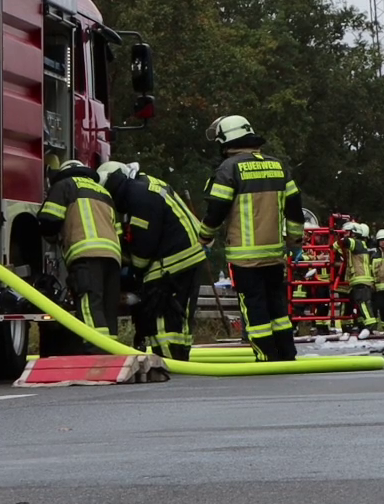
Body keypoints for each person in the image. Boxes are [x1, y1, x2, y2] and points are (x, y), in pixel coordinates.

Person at [202, 115, 302, 361]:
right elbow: (295, 209)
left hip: (244, 258)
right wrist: (295, 243)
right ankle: (286, 354)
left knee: (254, 307)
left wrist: (204, 238)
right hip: (275, 255)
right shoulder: (278, 166)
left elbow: (216, 210)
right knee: (277, 307)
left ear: (226, 141)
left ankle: (266, 357)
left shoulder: (229, 169)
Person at [104, 162, 207, 361]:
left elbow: (144, 246)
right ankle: (180, 361)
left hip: (170, 266)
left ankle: (168, 364)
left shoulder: (138, 196)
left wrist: (134, 271)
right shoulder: (148, 184)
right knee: (179, 320)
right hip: (188, 257)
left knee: (163, 322)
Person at [40, 153, 122, 344]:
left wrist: (51, 237)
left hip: (86, 255)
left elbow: (49, 218)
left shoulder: (64, 185)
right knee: (108, 310)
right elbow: (118, 229)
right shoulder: (104, 192)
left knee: (89, 306)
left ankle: (95, 350)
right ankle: (112, 352)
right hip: (113, 258)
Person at [340, 221, 379, 334]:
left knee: (363, 303)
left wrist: (336, 240)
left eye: (347, 232)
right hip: (360, 279)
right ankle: (364, 325)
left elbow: (345, 241)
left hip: (361, 279)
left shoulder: (357, 243)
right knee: (361, 304)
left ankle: (370, 324)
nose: (345, 234)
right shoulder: (360, 245)